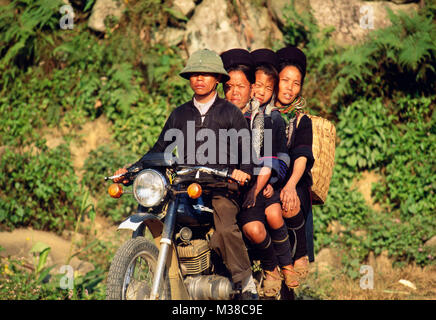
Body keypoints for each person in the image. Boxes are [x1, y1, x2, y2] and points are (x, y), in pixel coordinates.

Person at [113, 49, 258, 299]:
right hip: (185, 186)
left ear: (216, 79)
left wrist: (242, 171)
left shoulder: (231, 113)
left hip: (221, 187)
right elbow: (159, 149)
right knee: (159, 209)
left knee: (224, 228)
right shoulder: (180, 114)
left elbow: (247, 154)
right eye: (194, 74)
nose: (199, 78)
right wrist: (131, 170)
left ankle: (245, 282)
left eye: (205, 74)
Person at [226, 48, 296, 295]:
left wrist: (269, 181)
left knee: (273, 215)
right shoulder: (239, 114)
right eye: (257, 85)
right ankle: (271, 267)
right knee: (253, 227)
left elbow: (276, 157)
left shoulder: (271, 119)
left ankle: (280, 267)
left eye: (268, 88)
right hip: (238, 182)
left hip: (264, 181)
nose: (261, 91)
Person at [274, 46, 315, 286]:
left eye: (296, 83)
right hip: (266, 176)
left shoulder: (302, 119)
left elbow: (302, 155)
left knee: (292, 198)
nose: (290, 88)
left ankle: (299, 254)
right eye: (285, 80)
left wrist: (289, 185)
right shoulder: (261, 113)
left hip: (293, 178)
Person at [220, 48, 255, 113]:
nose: (235, 92)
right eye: (229, 86)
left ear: (252, 89)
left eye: (241, 86)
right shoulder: (214, 117)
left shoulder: (264, 120)